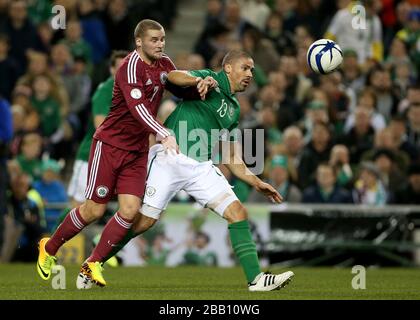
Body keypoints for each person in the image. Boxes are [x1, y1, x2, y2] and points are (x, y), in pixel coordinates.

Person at [92, 50, 294, 292]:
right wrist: (196, 81)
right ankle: (94, 262)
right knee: (143, 223)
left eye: (252, 69)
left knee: (238, 212)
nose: (250, 74)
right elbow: (172, 76)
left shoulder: (234, 109)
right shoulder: (209, 79)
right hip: (170, 158)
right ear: (228, 68)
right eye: (245, 68)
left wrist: (255, 181)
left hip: (200, 168)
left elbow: (230, 155)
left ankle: (256, 280)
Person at [36, 19, 213, 285]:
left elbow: (178, 88)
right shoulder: (129, 67)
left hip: (137, 151)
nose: (160, 44)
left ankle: (92, 263)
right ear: (139, 41)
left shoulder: (164, 63)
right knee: (93, 211)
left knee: (130, 211)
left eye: (162, 39)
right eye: (154, 39)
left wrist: (199, 83)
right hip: (109, 146)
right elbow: (138, 109)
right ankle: (49, 248)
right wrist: (163, 133)